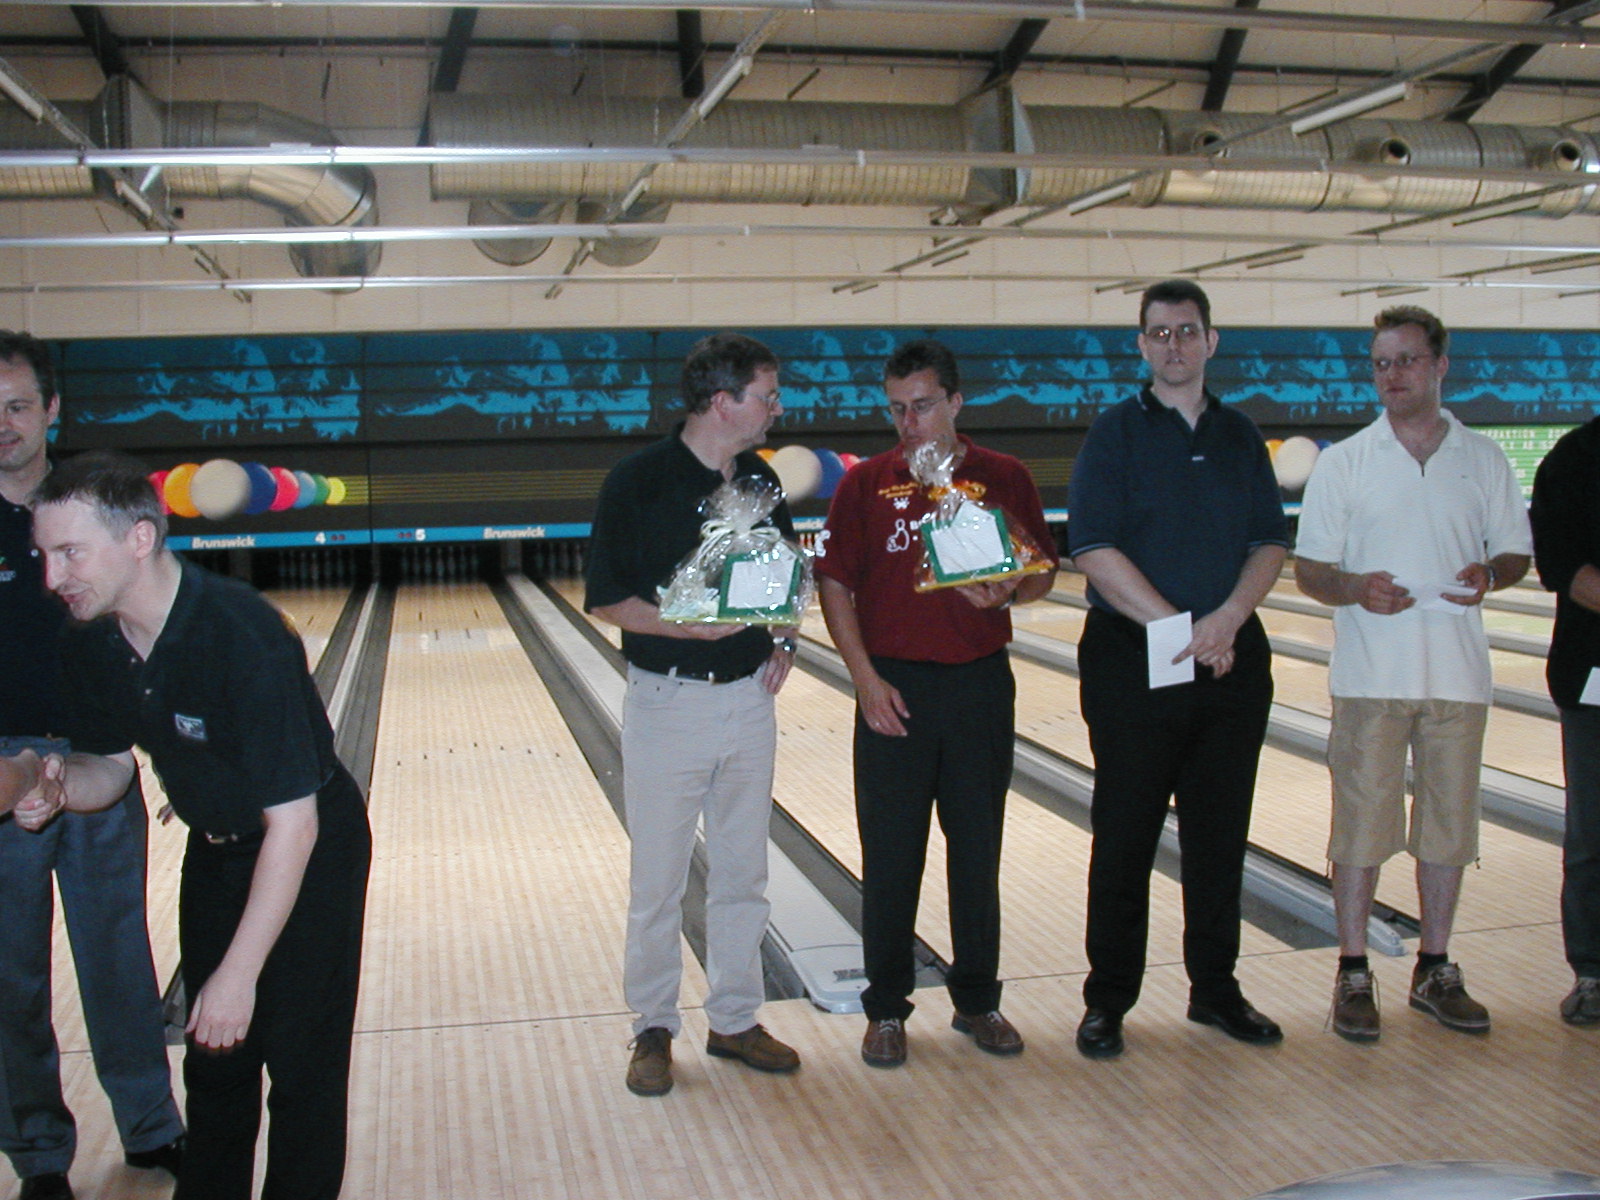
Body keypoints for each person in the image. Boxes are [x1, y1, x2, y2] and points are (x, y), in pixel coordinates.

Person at [27, 450, 372, 1200]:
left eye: (70, 552)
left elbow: (295, 827)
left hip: (310, 847)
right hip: (216, 849)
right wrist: (56, 790)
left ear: (139, 539)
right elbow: (108, 768)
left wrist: (238, 977)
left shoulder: (244, 635)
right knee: (214, 1065)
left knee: (301, 1065)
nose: (52, 578)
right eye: (44, 555)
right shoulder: (90, 641)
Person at [816, 338, 1057, 1069]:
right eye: (896, 409)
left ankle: (978, 1000)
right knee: (891, 857)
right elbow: (834, 583)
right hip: (893, 688)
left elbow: (1043, 570)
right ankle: (886, 1009)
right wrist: (864, 680)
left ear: (955, 401)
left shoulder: (1003, 477)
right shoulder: (864, 484)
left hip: (979, 685)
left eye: (922, 406)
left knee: (977, 853)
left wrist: (1013, 588)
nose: (908, 423)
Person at [1296, 305, 1531, 1043]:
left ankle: (1435, 966)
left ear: (1439, 366)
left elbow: (1516, 552)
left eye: (1406, 360)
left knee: (1448, 829)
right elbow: (1310, 571)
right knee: (1360, 831)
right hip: (1370, 677)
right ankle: (1352, 971)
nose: (1392, 374)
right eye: (1381, 363)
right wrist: (1355, 587)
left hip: (1458, 676)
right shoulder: (1345, 462)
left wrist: (1491, 573)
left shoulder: (1484, 459)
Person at [1067, 280, 1288, 1060]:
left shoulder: (1240, 434)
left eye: (1187, 331)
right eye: (1159, 333)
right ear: (1141, 345)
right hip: (1133, 659)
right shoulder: (1114, 433)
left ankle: (1215, 989)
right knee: (1124, 835)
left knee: (1220, 835)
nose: (1174, 345)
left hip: (1230, 658)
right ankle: (1108, 1000)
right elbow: (1091, 545)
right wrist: (1179, 629)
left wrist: (1226, 621)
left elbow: (1270, 541)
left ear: (1210, 341)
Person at [585, 331, 802, 1097]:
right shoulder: (637, 481)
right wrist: (685, 628)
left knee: (745, 872)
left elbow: (786, 578)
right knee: (659, 880)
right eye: (766, 396)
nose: (776, 408)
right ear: (723, 402)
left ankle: (736, 1020)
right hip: (669, 700)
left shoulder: (763, 480)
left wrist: (786, 639)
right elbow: (607, 597)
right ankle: (652, 1026)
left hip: (750, 701)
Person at [0, 332, 184, 1200]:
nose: (3, 424)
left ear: (51, 410)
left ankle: (152, 1127)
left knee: (119, 958)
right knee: (11, 976)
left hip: (99, 756)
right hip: (2, 772)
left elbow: (152, 619)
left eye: (17, 406)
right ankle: (40, 1155)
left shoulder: (95, 506)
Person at [1528, 420, 1600, 1027]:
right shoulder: (1575, 458)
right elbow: (1562, 566)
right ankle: (1593, 973)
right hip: (1594, 672)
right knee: (1593, 834)